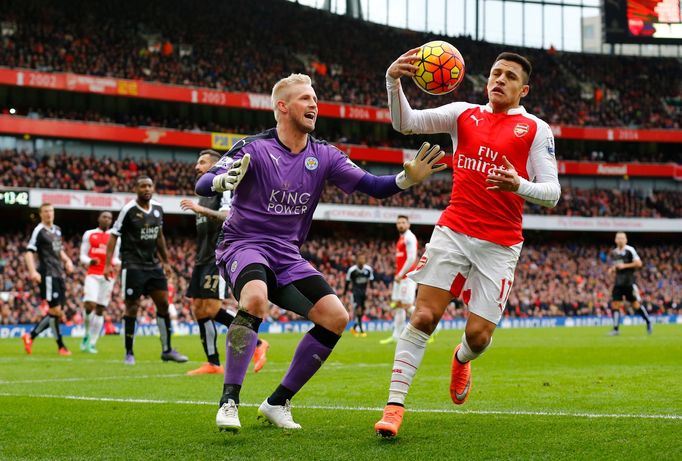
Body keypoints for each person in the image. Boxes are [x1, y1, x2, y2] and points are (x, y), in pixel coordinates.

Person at [195, 73, 446, 432]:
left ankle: (277, 402)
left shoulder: (324, 154)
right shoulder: (253, 148)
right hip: (243, 244)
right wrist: (221, 181)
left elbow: (372, 186)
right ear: (282, 107)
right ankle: (229, 401)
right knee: (254, 299)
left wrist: (406, 179)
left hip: (287, 254)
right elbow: (204, 181)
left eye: (315, 98)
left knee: (336, 317)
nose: (314, 104)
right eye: (304, 99)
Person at [374, 51, 561, 438]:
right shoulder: (463, 113)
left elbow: (553, 193)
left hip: (500, 243)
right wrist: (393, 80)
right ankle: (393, 407)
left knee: (478, 336)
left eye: (510, 76)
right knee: (423, 317)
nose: (500, 80)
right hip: (454, 230)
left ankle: (461, 359)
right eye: (495, 73)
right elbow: (405, 123)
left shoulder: (536, 129)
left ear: (523, 89)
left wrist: (519, 185)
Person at [180, 150, 269, 375]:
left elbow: (228, 216)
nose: (196, 166)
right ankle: (213, 362)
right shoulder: (203, 194)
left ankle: (257, 343)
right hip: (201, 258)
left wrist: (201, 210)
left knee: (211, 308)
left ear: (215, 165)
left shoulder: (224, 188)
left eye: (202, 162)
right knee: (199, 309)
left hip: (218, 255)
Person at [104, 176, 188, 365]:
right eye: (143, 186)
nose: (147, 189)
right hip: (132, 265)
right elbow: (113, 236)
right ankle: (129, 352)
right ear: (136, 189)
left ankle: (167, 350)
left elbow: (159, 237)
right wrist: (108, 264)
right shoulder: (129, 210)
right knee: (132, 307)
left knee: (164, 304)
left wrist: (166, 262)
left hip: (153, 266)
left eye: (149, 186)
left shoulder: (158, 208)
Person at [21, 203, 75, 356]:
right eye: (45, 211)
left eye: (51, 211)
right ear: (41, 214)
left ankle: (30, 337)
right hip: (48, 274)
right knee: (55, 310)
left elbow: (59, 250)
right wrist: (33, 272)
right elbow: (29, 252)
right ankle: (60, 346)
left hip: (59, 274)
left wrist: (67, 261)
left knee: (57, 312)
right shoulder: (39, 231)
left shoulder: (57, 230)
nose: (48, 214)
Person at [79, 211, 120, 353]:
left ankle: (92, 342)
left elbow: (114, 258)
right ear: (98, 218)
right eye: (104, 217)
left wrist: (120, 263)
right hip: (93, 274)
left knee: (100, 309)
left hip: (108, 276)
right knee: (90, 304)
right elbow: (82, 255)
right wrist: (90, 260)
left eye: (109, 218)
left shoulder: (115, 237)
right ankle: (86, 333)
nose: (107, 219)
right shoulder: (89, 234)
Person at [380, 215, 417, 344]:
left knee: (406, 306)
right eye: (399, 222)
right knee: (398, 306)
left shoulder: (409, 237)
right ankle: (396, 336)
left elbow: (412, 258)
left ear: (408, 224)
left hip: (407, 277)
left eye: (403, 222)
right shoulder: (401, 238)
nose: (401, 224)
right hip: (401, 278)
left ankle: (432, 327)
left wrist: (401, 274)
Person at [608, 232, 651, 336]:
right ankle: (616, 329)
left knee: (635, 305)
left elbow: (639, 263)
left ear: (626, 240)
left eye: (622, 238)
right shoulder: (614, 253)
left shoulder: (630, 250)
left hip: (629, 282)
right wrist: (612, 269)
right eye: (618, 238)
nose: (620, 240)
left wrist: (625, 266)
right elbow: (617, 265)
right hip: (618, 283)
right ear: (615, 240)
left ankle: (648, 321)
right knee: (615, 304)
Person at [344, 253, 374, 337]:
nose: (361, 260)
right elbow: (347, 283)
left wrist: (371, 291)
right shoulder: (352, 270)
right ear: (357, 260)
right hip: (355, 293)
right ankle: (361, 330)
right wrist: (344, 294)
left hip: (364, 293)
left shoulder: (368, 270)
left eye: (363, 258)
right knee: (359, 310)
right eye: (360, 258)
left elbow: (371, 282)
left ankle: (354, 328)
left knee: (361, 312)